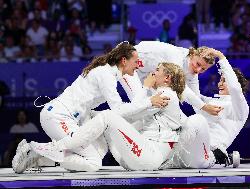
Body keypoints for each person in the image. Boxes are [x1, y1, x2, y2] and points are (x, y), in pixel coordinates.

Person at [12, 42, 169, 173]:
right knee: (93, 162)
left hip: (69, 117)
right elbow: (118, 110)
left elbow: (121, 110)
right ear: (123, 60)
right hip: (59, 117)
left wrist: (149, 104)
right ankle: (36, 149)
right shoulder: (106, 75)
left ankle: (37, 157)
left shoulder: (108, 73)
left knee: (99, 152)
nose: (138, 66)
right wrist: (149, 102)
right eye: (135, 61)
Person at [26, 63, 186, 171]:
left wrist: (145, 86)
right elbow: (131, 115)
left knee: (108, 116)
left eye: (157, 70)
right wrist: (91, 115)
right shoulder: (156, 96)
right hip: (135, 157)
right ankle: (40, 158)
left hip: (149, 156)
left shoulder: (166, 96)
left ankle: (51, 147)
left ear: (167, 78)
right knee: (95, 157)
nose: (152, 73)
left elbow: (133, 112)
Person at [161, 48, 249, 169]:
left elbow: (235, 88)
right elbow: (192, 95)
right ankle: (163, 152)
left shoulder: (240, 108)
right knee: (169, 104)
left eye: (225, 81)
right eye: (220, 80)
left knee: (196, 120)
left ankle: (214, 157)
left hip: (204, 154)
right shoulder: (209, 102)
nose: (220, 84)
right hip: (186, 153)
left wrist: (221, 57)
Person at [133, 41, 222, 116]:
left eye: (203, 69)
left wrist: (211, 110)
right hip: (131, 62)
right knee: (138, 106)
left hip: (149, 73)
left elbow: (196, 99)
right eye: (198, 64)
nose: (198, 70)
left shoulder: (192, 72)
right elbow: (181, 87)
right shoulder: (176, 55)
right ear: (193, 55)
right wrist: (205, 107)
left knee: (153, 108)